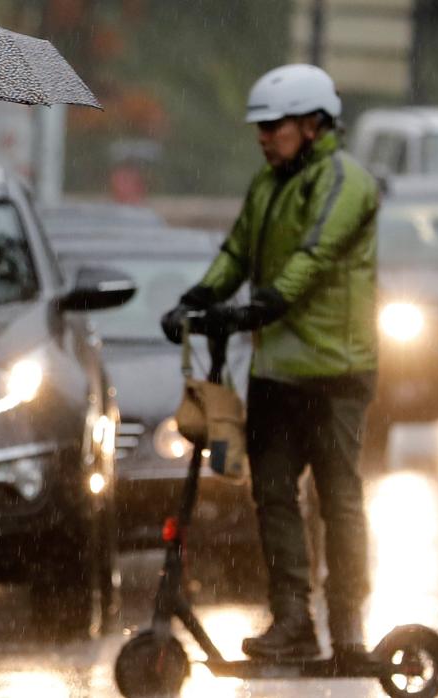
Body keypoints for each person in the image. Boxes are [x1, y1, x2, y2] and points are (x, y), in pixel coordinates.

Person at [160, 64, 379, 663]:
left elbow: (315, 255)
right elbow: (236, 251)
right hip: (276, 372)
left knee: (337, 499)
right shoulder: (267, 184)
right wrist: (197, 299)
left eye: (274, 126)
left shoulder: (346, 180)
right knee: (273, 495)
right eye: (260, 127)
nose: (263, 136)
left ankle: (349, 625)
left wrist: (265, 305)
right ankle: (292, 621)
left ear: (312, 125)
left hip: (336, 372)